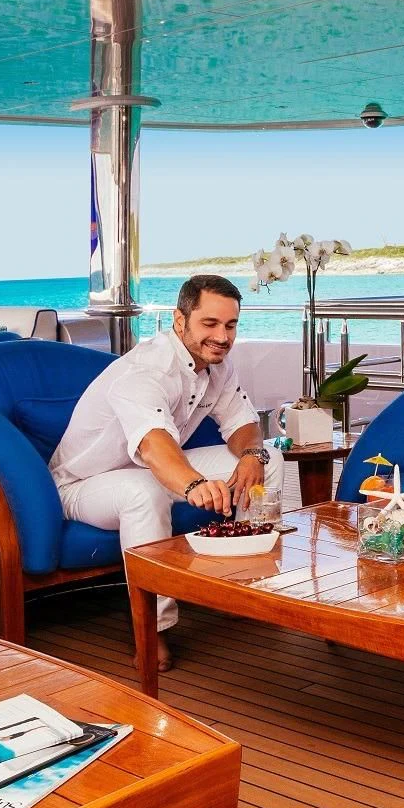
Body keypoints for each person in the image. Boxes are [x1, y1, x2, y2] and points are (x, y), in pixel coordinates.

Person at [48, 275, 283, 673]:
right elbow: (155, 447)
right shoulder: (145, 371)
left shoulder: (217, 365)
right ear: (180, 320)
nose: (222, 337)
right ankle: (150, 629)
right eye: (210, 324)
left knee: (269, 460)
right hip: (83, 485)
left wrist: (252, 454)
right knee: (143, 490)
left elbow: (242, 424)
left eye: (230, 325)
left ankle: (243, 584)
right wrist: (194, 484)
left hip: (155, 470)